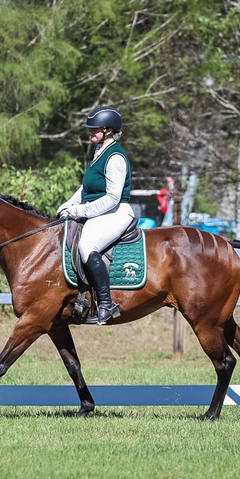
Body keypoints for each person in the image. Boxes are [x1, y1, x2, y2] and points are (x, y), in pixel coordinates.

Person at [56, 106, 135, 324]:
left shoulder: (115, 157)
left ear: (108, 130)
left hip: (117, 211)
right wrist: (69, 204)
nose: (90, 131)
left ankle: (107, 304)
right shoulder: (99, 151)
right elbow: (87, 188)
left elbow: (112, 198)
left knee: (86, 247)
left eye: (95, 128)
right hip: (100, 211)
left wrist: (79, 211)